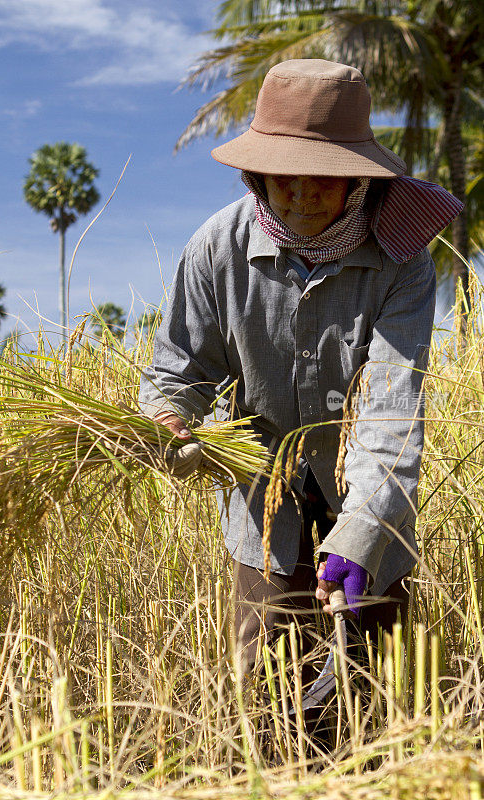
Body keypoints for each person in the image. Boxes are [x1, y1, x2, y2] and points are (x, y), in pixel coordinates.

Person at [138, 59, 462, 674]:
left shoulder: (401, 259)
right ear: (257, 176)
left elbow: (391, 412)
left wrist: (363, 531)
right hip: (264, 495)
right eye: (284, 179)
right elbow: (179, 371)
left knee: (371, 676)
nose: (302, 197)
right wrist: (170, 420)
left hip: (368, 489)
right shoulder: (217, 248)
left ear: (359, 181)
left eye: (324, 179)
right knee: (266, 681)